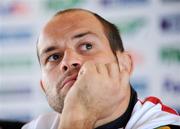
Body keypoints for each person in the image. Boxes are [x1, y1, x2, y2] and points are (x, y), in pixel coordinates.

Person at [22, 8, 180, 129]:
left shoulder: (162, 123)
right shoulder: (37, 126)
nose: (68, 61)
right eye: (54, 57)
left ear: (124, 64)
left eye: (87, 46)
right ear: (43, 86)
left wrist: (78, 117)